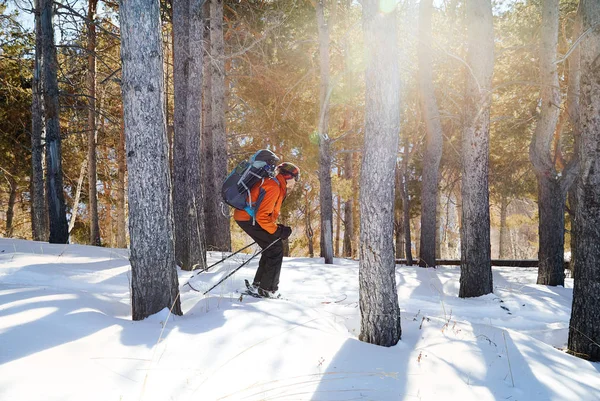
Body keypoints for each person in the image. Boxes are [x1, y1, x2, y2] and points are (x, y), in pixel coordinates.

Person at [234, 161, 300, 298]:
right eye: (295, 179)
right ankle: (267, 289)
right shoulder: (274, 187)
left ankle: (259, 285)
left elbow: (264, 214)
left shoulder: (274, 184)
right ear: (288, 177)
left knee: (271, 247)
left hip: (246, 217)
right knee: (275, 248)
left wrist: (277, 229)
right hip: (248, 218)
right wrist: (277, 232)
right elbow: (261, 216)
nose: (295, 183)